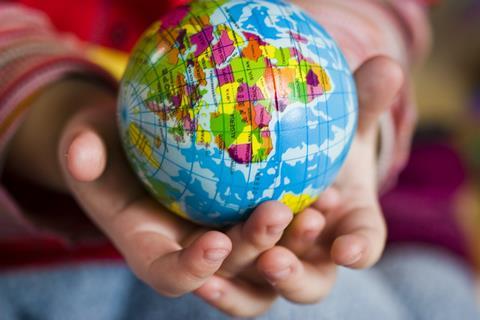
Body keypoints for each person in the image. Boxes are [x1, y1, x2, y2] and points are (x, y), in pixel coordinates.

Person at [0, 0, 478, 319]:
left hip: (289, 228)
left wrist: (341, 85)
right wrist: (51, 113)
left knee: (438, 295)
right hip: (31, 259)